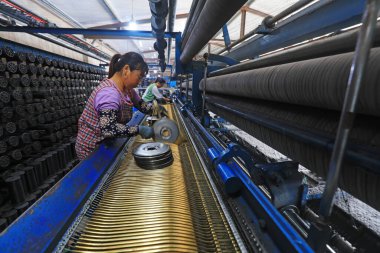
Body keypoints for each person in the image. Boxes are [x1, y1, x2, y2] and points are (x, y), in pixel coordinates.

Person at [75, 52, 156, 160]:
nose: (140, 82)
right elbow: (109, 128)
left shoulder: (128, 90)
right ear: (126, 69)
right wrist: (139, 130)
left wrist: (155, 109)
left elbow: (141, 105)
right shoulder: (109, 93)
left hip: (107, 142)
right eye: (139, 77)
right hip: (93, 150)